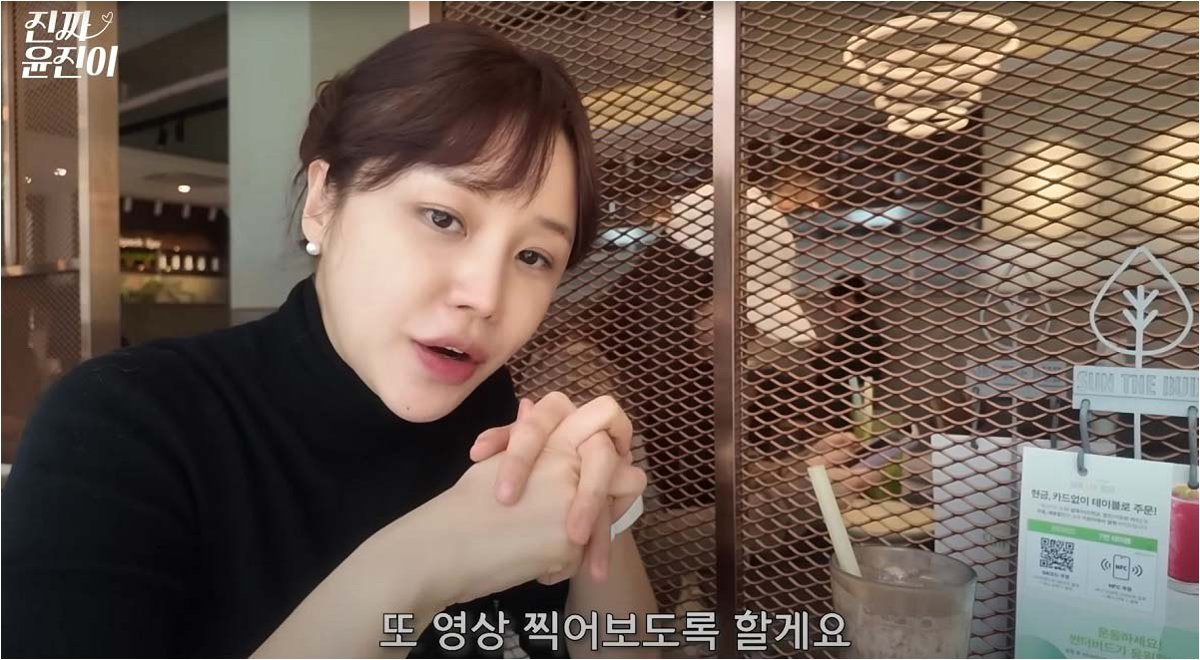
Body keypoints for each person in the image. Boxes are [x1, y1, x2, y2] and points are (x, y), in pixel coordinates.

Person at [2, 23, 658, 659]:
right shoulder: (123, 425)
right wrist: (423, 561)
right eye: (443, 218)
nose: (486, 297)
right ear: (323, 201)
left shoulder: (501, 428)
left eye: (534, 257)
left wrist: (601, 513)